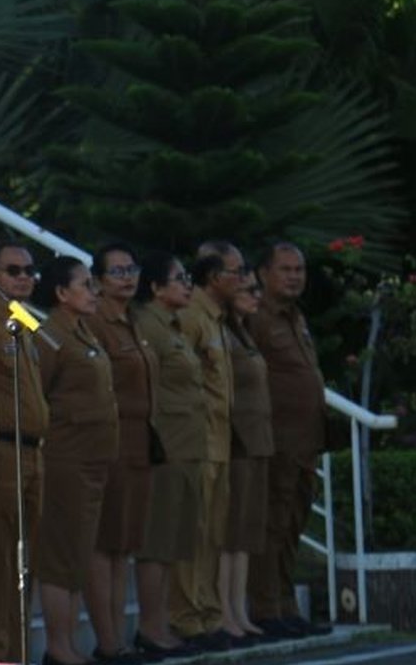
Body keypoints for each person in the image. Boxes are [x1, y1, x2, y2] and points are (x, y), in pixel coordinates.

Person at [31, 256, 118, 665]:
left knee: (78, 553)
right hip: (67, 459)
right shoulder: (50, 335)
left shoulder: (84, 331)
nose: (93, 291)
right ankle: (58, 647)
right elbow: (38, 393)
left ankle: (68, 644)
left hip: (94, 459)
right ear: (62, 293)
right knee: (61, 556)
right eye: (84, 284)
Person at [0, 240, 49, 664]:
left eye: (29, 271)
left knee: (24, 563)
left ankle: (17, 653)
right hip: (3, 451)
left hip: (33, 454)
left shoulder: (23, 320)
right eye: (13, 270)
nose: (24, 277)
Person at [247, 242, 332, 638]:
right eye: (286, 269)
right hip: (276, 440)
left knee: (293, 523)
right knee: (272, 524)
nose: (295, 276)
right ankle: (266, 608)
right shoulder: (257, 318)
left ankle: (285, 604)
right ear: (264, 273)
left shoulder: (295, 317)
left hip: (305, 442)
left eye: (299, 269)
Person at [169, 240, 244, 650]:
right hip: (198, 441)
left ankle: (210, 614)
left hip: (220, 441)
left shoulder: (217, 316)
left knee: (213, 534)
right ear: (215, 277)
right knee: (193, 535)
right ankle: (187, 617)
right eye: (236, 271)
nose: (243, 279)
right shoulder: (193, 314)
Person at [84, 243, 157, 664]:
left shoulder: (135, 320)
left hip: (139, 444)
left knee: (123, 544)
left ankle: (120, 641)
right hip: (108, 442)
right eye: (117, 272)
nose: (127, 277)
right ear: (97, 281)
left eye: (132, 269)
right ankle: (108, 640)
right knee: (105, 543)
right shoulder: (96, 322)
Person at [130, 253, 203, 661]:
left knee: (173, 542)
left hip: (187, 447)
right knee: (155, 544)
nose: (187, 284)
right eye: (179, 279)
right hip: (164, 447)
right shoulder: (149, 326)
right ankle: (151, 627)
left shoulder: (176, 326)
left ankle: (165, 622)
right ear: (156, 288)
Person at [223, 271, 273, 639]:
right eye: (248, 289)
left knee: (245, 534)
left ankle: (238, 610)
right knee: (230, 534)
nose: (256, 295)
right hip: (235, 441)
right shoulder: (223, 332)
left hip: (256, 441)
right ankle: (225, 610)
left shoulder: (245, 331)